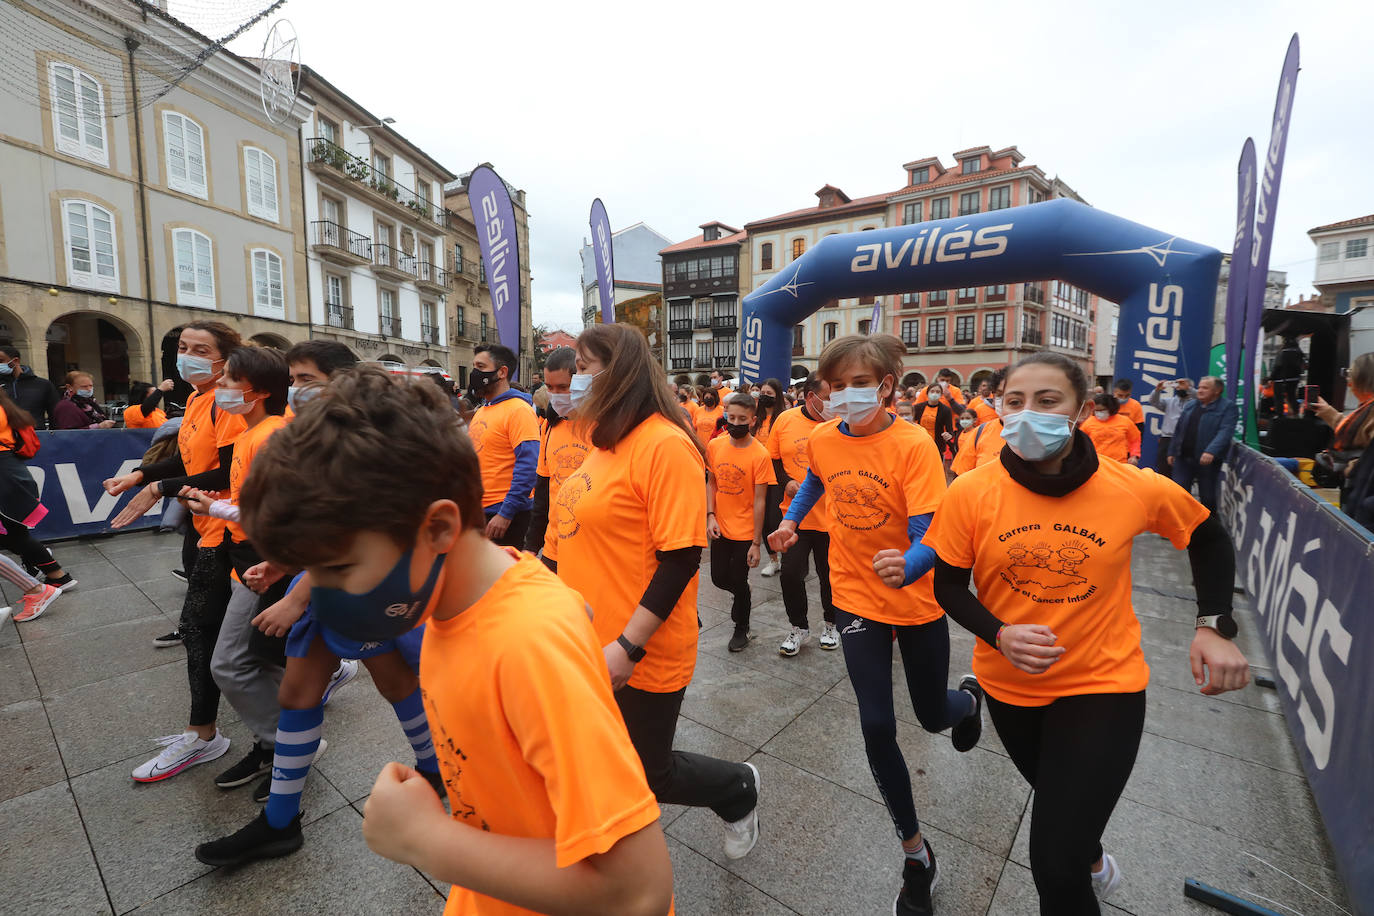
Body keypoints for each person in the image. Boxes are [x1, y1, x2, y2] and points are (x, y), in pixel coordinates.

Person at [217, 368, 674, 912]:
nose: (322, 592)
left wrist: (428, 841)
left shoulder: (528, 642)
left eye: (337, 567)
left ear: (437, 529)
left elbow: (638, 891)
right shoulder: (450, 601)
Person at [926, 350, 1249, 914]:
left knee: (1054, 863)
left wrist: (1213, 625)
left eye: (1047, 401)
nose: (1028, 414)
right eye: (1015, 402)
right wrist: (999, 633)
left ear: (1079, 410)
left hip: (1105, 685)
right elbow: (949, 587)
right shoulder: (972, 491)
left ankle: (1080, 861)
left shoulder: (1131, 486)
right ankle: (1092, 855)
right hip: (1009, 687)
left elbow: (1207, 536)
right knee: (1063, 815)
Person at [768, 334, 982, 916]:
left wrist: (909, 563)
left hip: (912, 602)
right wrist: (790, 521)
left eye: (856, 383)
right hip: (856, 597)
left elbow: (930, 528)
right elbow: (816, 478)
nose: (842, 395)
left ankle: (966, 702)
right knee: (875, 725)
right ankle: (916, 855)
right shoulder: (820, 436)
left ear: (886, 386)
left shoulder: (912, 444)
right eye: (834, 385)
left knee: (931, 715)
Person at [553, 322, 762, 862]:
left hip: (638, 647)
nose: (574, 382)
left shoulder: (665, 444)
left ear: (618, 374)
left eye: (584, 368)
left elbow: (680, 558)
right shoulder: (603, 441)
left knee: (649, 771)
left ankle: (738, 787)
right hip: (582, 638)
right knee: (594, 757)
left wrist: (628, 645)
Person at [104, 321, 248, 781]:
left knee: (200, 629)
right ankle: (207, 731)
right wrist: (140, 477)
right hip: (205, 526)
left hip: (230, 531)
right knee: (217, 631)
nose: (187, 355)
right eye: (183, 347)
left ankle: (203, 736)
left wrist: (161, 487)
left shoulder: (227, 402)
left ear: (224, 359)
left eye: (200, 349)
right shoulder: (196, 400)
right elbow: (191, 460)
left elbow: (226, 472)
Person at [175, 346, 300, 809]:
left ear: (260, 391)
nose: (221, 387)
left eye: (229, 379)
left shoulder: (273, 434)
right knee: (263, 660)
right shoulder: (251, 434)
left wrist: (217, 507)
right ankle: (276, 747)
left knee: (228, 663)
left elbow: (280, 511)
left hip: (263, 561)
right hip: (241, 559)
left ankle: (289, 746)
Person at [766, 376, 838, 655]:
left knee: (829, 576)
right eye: (828, 396)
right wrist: (786, 483)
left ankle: (831, 624)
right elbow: (773, 459)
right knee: (791, 574)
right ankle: (799, 627)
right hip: (795, 517)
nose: (834, 403)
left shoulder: (839, 423)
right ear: (810, 397)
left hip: (831, 518)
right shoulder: (784, 420)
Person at [707, 393, 775, 652]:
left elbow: (760, 501)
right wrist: (710, 515)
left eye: (741, 419)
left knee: (737, 576)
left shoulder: (760, 455)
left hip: (746, 530)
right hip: (720, 526)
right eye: (730, 417)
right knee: (717, 578)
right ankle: (742, 592)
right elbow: (711, 483)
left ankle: (741, 626)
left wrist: (757, 543)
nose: (734, 422)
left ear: (753, 420)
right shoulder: (715, 446)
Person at [0, 387, 71, 615]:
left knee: (15, 535)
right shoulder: (5, 406)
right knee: (14, 536)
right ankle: (53, 577)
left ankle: (44, 584)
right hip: (11, 473)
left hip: (5, 476)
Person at [467, 345, 539, 548]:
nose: (475, 372)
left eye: (481, 366)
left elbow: (528, 466)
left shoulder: (519, 411)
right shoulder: (482, 411)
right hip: (480, 511)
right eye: (474, 366)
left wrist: (506, 513)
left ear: (502, 372)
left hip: (504, 514)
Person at [523, 347, 589, 563]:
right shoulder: (549, 427)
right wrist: (531, 546)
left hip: (589, 551)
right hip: (554, 549)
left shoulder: (603, 428)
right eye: (550, 388)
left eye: (564, 387)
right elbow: (543, 489)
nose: (556, 395)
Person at [1313, 353, 1374, 522]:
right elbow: (1356, 432)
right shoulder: (1366, 409)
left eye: (1351, 375)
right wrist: (1329, 413)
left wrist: (1353, 466)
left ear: (1364, 380)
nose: (1348, 383)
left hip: (1363, 498)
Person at [1168, 376, 1238, 512]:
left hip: (1207, 461)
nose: (1199, 390)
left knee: (1208, 498)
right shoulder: (1191, 405)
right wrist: (1171, 451)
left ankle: (1207, 529)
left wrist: (1211, 451)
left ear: (1217, 391)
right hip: (1183, 458)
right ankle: (1178, 528)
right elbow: (1179, 430)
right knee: (1178, 494)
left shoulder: (1228, 407)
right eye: (1199, 387)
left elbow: (1225, 431)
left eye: (1205, 388)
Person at [754, 378, 788, 577]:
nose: (765, 396)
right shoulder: (755, 419)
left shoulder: (782, 418)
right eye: (762, 393)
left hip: (776, 478)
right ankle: (773, 560)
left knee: (776, 519)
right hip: (758, 477)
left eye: (769, 394)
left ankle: (784, 555)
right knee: (764, 521)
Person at [952, 368, 1008, 476]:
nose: (1007, 399)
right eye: (999, 394)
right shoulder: (979, 434)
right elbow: (961, 476)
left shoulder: (1040, 435)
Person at [0, 346, 59, 430]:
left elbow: (55, 415)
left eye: (1, 361)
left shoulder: (43, 385)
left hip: (36, 437)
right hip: (6, 439)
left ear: (16, 361)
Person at [1080, 393, 1140, 465]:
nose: (1099, 413)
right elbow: (1080, 442)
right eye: (1096, 410)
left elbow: (1135, 440)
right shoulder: (1088, 423)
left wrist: (1134, 455)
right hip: (1096, 464)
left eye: (1102, 410)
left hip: (1119, 464)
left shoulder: (1125, 421)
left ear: (1111, 408)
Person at [1148, 378, 1192, 475]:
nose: (1180, 389)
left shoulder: (1194, 403)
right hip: (1167, 439)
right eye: (1178, 387)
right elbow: (1153, 401)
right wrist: (1157, 390)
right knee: (1164, 469)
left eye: (1183, 387)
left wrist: (1189, 389)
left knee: (1182, 472)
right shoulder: (1169, 401)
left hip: (1185, 440)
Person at [912, 383, 957, 460]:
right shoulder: (918, 407)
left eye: (937, 392)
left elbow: (950, 430)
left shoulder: (945, 410)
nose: (934, 394)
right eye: (932, 391)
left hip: (937, 445)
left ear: (941, 394)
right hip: (920, 443)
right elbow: (911, 422)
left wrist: (948, 435)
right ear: (927, 393)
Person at [1271, 336, 1305, 416]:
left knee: (1278, 398)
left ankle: (1280, 415)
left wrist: (1272, 377)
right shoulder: (1298, 352)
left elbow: (1277, 365)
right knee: (1292, 397)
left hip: (1280, 378)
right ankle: (1296, 414)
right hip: (1294, 378)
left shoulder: (1282, 351)